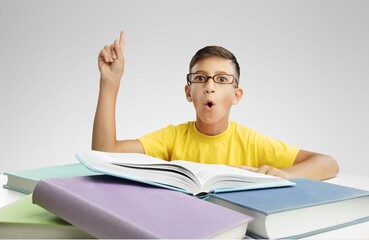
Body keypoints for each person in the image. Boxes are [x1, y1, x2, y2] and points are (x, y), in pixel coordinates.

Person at [92, 31, 339, 180]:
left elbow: (328, 163)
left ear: (236, 95)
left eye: (221, 79)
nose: (210, 86)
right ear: (189, 92)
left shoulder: (251, 141)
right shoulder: (173, 137)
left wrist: (286, 174)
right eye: (200, 78)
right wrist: (110, 82)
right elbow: (104, 151)